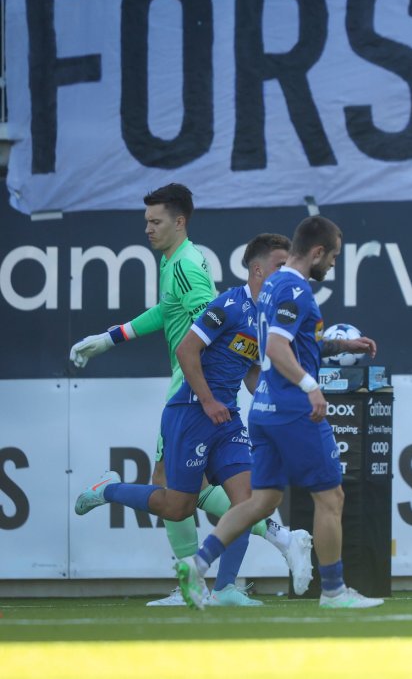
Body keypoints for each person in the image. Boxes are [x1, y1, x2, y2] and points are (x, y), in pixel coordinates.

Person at [68, 184, 308, 606]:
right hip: (193, 400)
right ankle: (223, 567)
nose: (148, 229)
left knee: (218, 495)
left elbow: (211, 333)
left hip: (203, 397)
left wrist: (264, 397)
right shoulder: (180, 263)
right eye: (147, 221)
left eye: (154, 221)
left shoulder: (190, 269)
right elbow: (184, 320)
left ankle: (224, 583)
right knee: (176, 499)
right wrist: (112, 337)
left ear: (180, 222)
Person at [176, 216, 383, 610]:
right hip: (294, 410)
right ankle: (335, 592)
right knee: (331, 497)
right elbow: (274, 347)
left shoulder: (269, 286)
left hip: (264, 409)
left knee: (261, 501)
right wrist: (311, 386)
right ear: (317, 252)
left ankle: (196, 563)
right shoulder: (296, 289)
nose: (334, 264)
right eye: (334, 256)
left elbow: (294, 343)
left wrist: (342, 347)